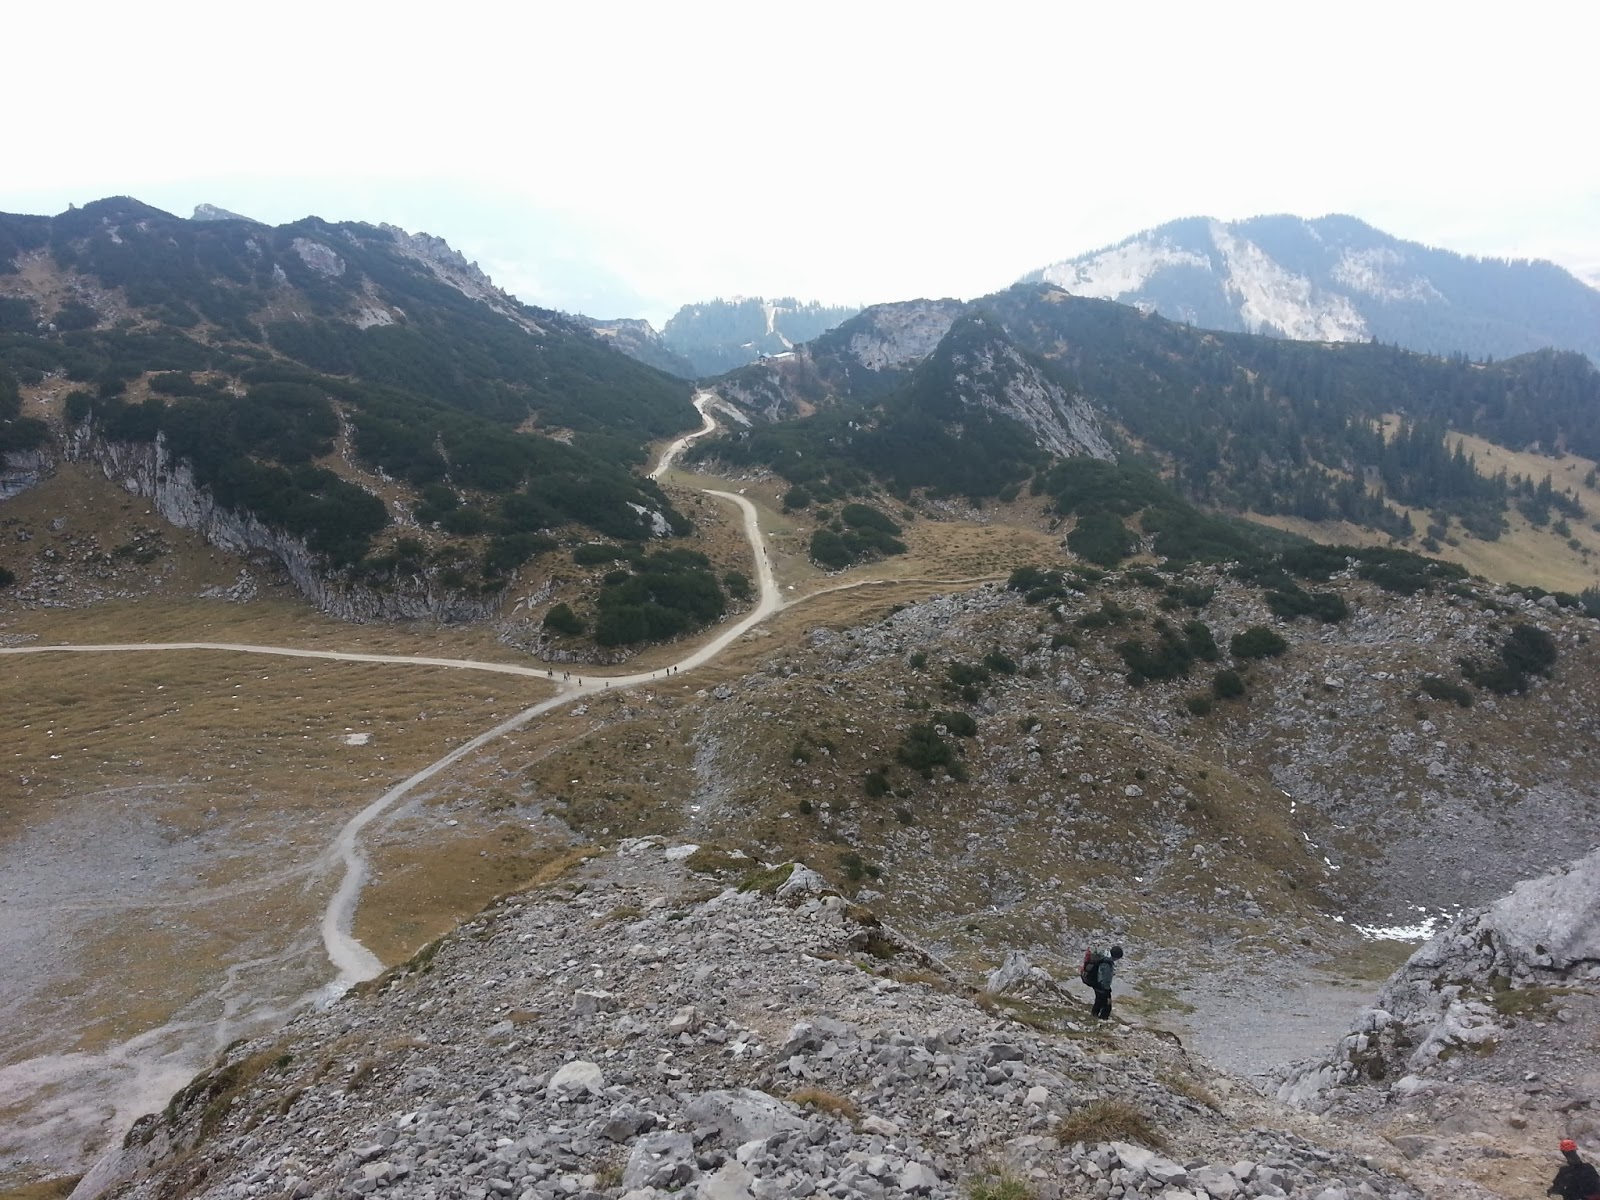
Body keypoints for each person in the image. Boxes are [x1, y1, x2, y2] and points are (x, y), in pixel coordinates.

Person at [1087, 945, 1124, 1020]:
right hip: (1101, 986)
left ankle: (1094, 1016)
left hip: (1095, 983)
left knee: (1098, 1001)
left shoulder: (1104, 956)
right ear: (1116, 957)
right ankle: (1102, 1020)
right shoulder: (1107, 963)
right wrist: (1108, 992)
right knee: (1107, 1006)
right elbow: (1106, 980)